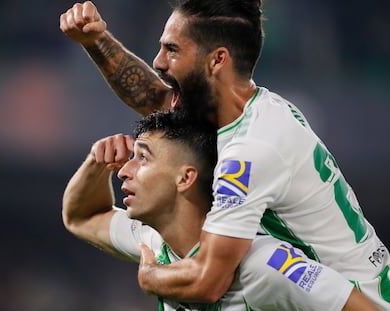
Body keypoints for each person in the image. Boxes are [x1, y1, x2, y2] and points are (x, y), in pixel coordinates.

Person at [60, 1, 390, 309]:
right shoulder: (235, 112)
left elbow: (208, 281)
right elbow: (154, 100)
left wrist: (151, 276)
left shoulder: (250, 150)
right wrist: (95, 41)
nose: (158, 62)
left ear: (217, 60)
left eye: (172, 50)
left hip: (356, 298)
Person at [63, 110, 376, 310]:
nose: (123, 171)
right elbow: (81, 217)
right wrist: (96, 162)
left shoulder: (267, 263)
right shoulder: (153, 241)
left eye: (142, 158)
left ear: (185, 178)